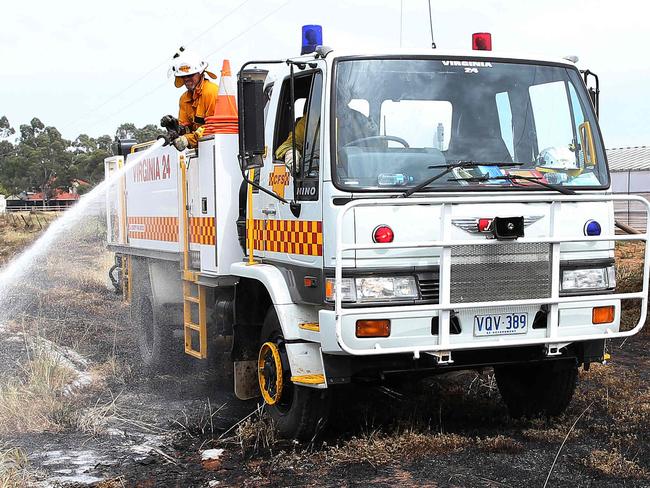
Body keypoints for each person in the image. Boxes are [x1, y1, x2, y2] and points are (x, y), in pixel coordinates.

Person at [162, 47, 219, 151]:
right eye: (183, 76)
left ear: (200, 73)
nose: (187, 79)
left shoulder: (211, 92)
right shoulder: (184, 99)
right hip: (202, 151)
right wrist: (176, 129)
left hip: (217, 149)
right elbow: (186, 127)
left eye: (190, 75)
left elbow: (213, 128)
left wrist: (188, 140)